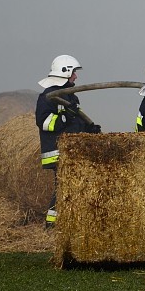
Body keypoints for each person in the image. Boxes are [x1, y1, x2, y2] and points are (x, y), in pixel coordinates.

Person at [35, 55, 101, 229]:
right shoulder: (48, 97)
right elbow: (44, 123)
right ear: (65, 72)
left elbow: (76, 123)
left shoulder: (71, 97)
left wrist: (89, 130)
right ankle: (51, 225)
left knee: (71, 187)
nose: (76, 77)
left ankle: (67, 223)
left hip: (71, 150)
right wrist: (65, 116)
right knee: (63, 187)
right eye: (74, 73)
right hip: (56, 151)